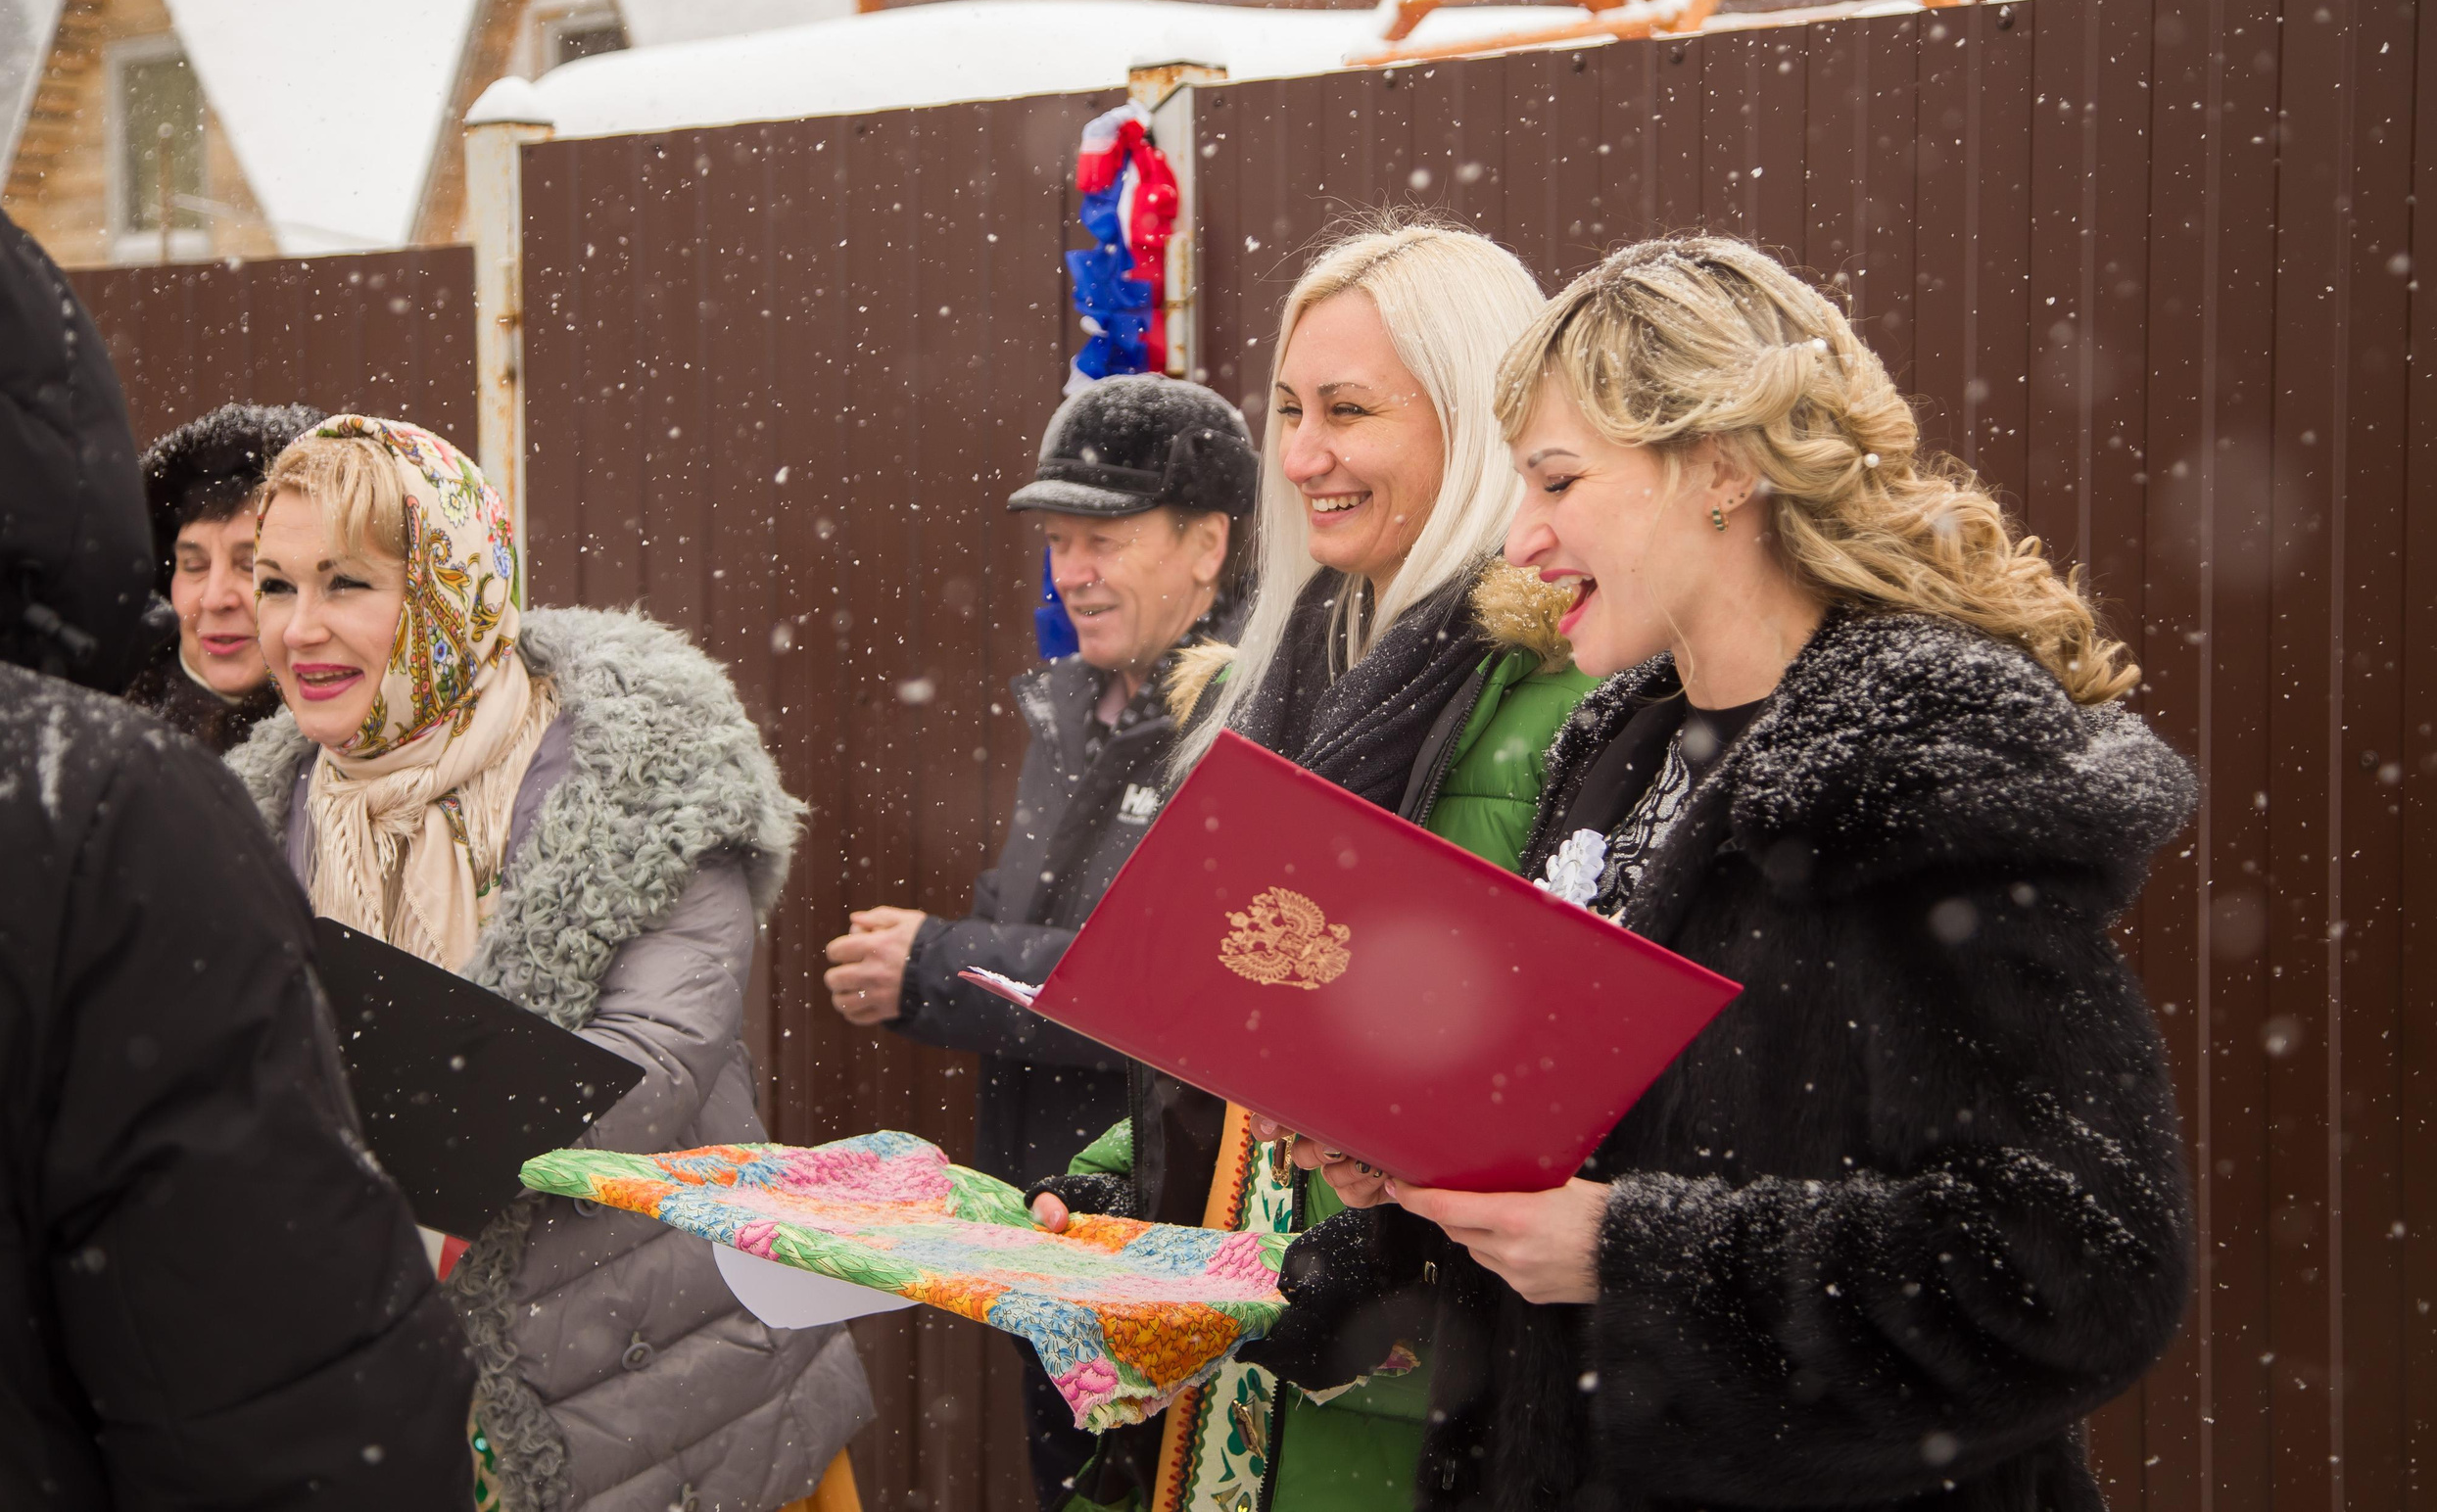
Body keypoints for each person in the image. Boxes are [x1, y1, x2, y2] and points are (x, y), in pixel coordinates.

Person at [1250, 236, 2197, 1512]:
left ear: (1724, 469)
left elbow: (2078, 1264)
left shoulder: (1915, 775)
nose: (1519, 536)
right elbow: (1596, 1145)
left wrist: (1630, 1248)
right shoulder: (1617, 754)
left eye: (1561, 479)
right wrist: (1413, 1173)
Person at [0, 138, 474, 1505]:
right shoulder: (137, 799)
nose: (264, 611)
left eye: (325, 577)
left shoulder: (607, 776)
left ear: (441, 591)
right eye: (220, 566)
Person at [1029, 219, 1590, 1512]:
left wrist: (1357, 1242)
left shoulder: (1559, 689)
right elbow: (1255, 1009)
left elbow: (1542, 1075)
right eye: (1287, 408)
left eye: (1348, 409)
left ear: (1474, 413)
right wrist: (1130, 1170)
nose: (1300, 456)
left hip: (1417, 1372)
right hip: (1262, 1348)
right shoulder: (1314, 668)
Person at [226, 414, 873, 1512]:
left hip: (658, 1381)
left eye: (346, 583)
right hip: (388, 1394)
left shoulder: (643, 772)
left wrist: (332, 1128)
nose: (300, 629)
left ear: (445, 586)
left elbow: (644, 1068)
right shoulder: (259, 808)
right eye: (277, 585)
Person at [820, 374, 1257, 1506]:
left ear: (1208, 544)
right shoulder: (1074, 708)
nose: (1071, 571)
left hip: (1160, 1247)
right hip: (1043, 1236)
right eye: (1060, 541)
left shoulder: (1241, 720)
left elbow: (1171, 988)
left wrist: (933, 965)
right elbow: (1050, 934)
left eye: (1103, 537)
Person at [121, 402, 324, 749]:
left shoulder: (382, 761)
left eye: (251, 566)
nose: (216, 598)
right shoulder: (105, 743)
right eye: (194, 565)